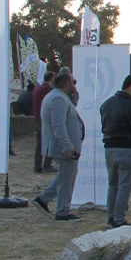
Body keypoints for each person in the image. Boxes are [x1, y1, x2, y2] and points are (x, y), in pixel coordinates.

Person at [33, 72, 84, 221]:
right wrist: (67, 146)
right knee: (67, 179)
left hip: (64, 146)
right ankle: (62, 211)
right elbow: (58, 125)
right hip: (64, 148)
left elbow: (67, 114)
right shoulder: (57, 98)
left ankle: (43, 199)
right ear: (66, 83)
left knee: (66, 176)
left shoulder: (59, 97)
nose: (75, 85)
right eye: (74, 82)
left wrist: (74, 98)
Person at [99, 74, 131, 228]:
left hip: (110, 148)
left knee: (113, 185)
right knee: (125, 186)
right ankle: (119, 219)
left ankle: (111, 217)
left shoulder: (107, 103)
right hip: (128, 149)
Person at [32, 71, 56, 173]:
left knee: (40, 143)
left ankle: (37, 165)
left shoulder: (38, 88)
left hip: (37, 118)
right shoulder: (47, 89)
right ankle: (47, 164)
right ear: (51, 78)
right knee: (50, 141)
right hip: (43, 120)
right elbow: (46, 104)